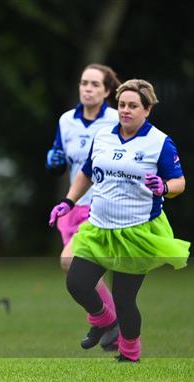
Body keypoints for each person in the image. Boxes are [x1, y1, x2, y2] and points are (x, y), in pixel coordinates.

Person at [49, 79, 190, 362]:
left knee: (125, 301)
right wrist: (68, 201)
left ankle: (129, 353)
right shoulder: (103, 136)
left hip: (135, 231)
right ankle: (103, 320)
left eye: (133, 106)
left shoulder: (159, 142)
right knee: (76, 282)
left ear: (147, 109)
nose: (125, 110)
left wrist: (164, 187)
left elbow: (179, 182)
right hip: (99, 227)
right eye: (122, 104)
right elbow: (87, 172)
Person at [46, 64, 121, 350]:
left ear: (106, 91)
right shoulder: (67, 120)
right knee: (83, 273)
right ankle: (113, 326)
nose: (87, 88)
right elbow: (60, 157)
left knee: (70, 262)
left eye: (94, 84)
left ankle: (106, 320)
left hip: (102, 206)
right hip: (73, 205)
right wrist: (53, 161)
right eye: (83, 83)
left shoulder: (116, 119)